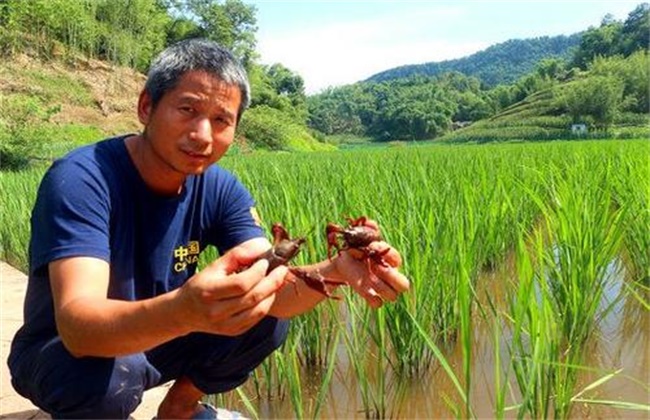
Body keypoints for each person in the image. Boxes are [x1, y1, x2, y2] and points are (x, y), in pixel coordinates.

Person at [7, 38, 409, 419]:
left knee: (264, 315)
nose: (202, 135)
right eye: (187, 110)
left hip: (159, 336)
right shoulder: (83, 178)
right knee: (106, 378)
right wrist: (183, 311)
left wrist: (334, 271)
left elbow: (275, 291)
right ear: (146, 106)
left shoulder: (220, 188)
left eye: (221, 120)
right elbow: (80, 328)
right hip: (62, 353)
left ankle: (180, 409)